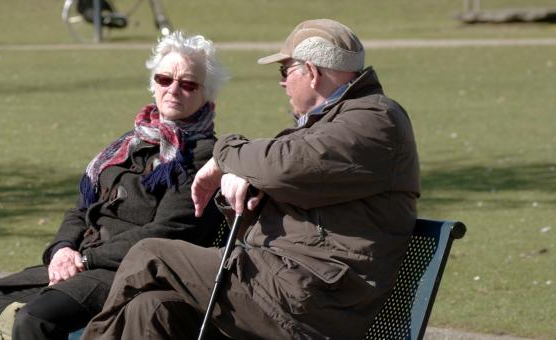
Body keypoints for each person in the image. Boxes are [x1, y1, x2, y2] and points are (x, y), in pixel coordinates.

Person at [81, 19, 421, 339]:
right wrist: (247, 178)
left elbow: (285, 164)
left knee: (149, 254)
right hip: (282, 282)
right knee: (151, 309)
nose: (282, 82)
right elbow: (284, 168)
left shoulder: (375, 119)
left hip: (308, 299)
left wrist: (223, 155)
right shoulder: (328, 125)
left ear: (312, 73)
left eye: (285, 71)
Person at [0, 31, 229, 340]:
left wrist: (87, 259)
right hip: (80, 265)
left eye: (187, 84)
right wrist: (62, 250)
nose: (173, 90)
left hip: (129, 274)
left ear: (205, 94)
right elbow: (81, 209)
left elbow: (170, 233)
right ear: (153, 83)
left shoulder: (201, 156)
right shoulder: (130, 143)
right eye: (164, 79)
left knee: (35, 318)